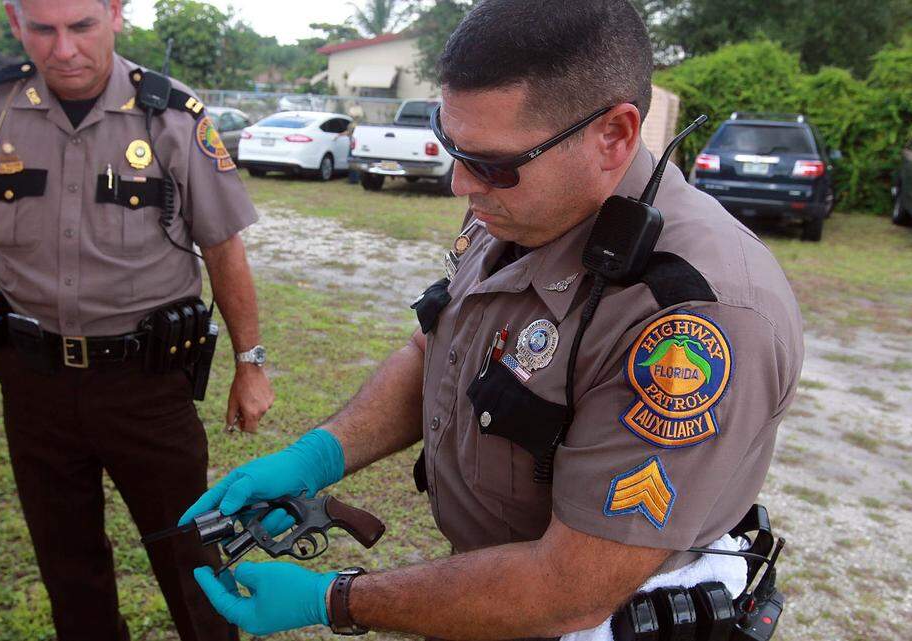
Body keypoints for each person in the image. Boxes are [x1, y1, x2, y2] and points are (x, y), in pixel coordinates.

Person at [180, 0, 803, 639]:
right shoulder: (512, 204)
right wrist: (317, 456)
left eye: (492, 162)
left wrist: (337, 600)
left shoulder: (695, 318)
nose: (459, 183)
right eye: (451, 144)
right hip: (497, 594)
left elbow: (572, 589)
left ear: (613, 136)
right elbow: (438, 347)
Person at [0, 0, 274, 639]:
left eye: (81, 26)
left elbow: (223, 246)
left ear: (115, 15)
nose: (64, 49)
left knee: (190, 559)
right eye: (43, 29)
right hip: (33, 385)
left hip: (147, 388)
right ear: (15, 23)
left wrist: (251, 364)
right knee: (67, 567)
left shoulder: (170, 114)